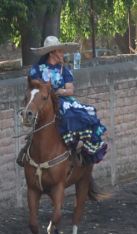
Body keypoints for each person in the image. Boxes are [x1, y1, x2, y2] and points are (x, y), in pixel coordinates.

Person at [18, 36, 108, 166]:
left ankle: (75, 147)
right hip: (42, 100)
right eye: (60, 51)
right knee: (33, 115)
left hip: (62, 100)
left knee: (78, 115)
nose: (62, 54)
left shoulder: (64, 69)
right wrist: (46, 92)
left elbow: (70, 90)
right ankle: (27, 149)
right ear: (52, 53)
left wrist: (60, 91)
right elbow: (33, 87)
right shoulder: (37, 69)